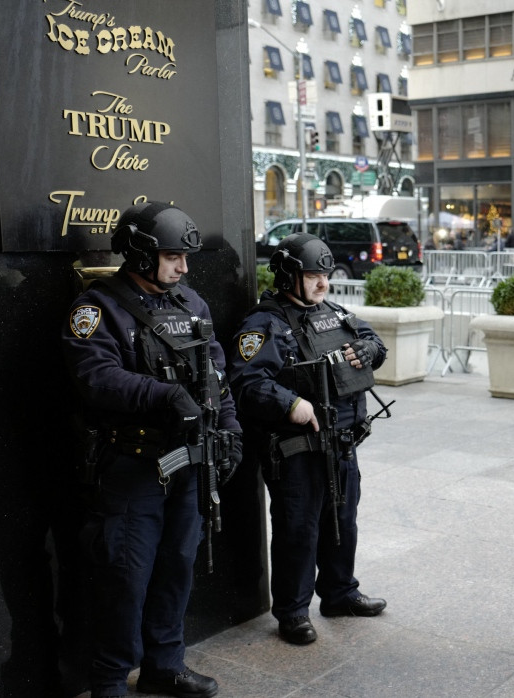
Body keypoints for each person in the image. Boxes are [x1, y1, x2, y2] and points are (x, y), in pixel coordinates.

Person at [62, 202, 242, 698]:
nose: (183, 268)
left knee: (177, 565)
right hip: (131, 469)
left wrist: (229, 429)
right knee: (125, 578)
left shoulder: (191, 304)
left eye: (185, 258)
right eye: (172, 257)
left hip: (188, 461)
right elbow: (96, 377)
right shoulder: (97, 309)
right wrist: (162, 395)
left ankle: (165, 664)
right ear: (141, 255)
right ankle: (111, 680)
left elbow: (216, 377)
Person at [228, 233, 388, 646]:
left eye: (326, 275)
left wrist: (369, 351)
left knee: (343, 520)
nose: (323, 284)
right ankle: (294, 611)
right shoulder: (264, 324)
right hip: (296, 450)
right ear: (288, 276)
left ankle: (339, 593)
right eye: (313, 275)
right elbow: (245, 382)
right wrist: (290, 403)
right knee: (298, 529)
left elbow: (373, 340)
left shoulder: (332, 312)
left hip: (342, 442)